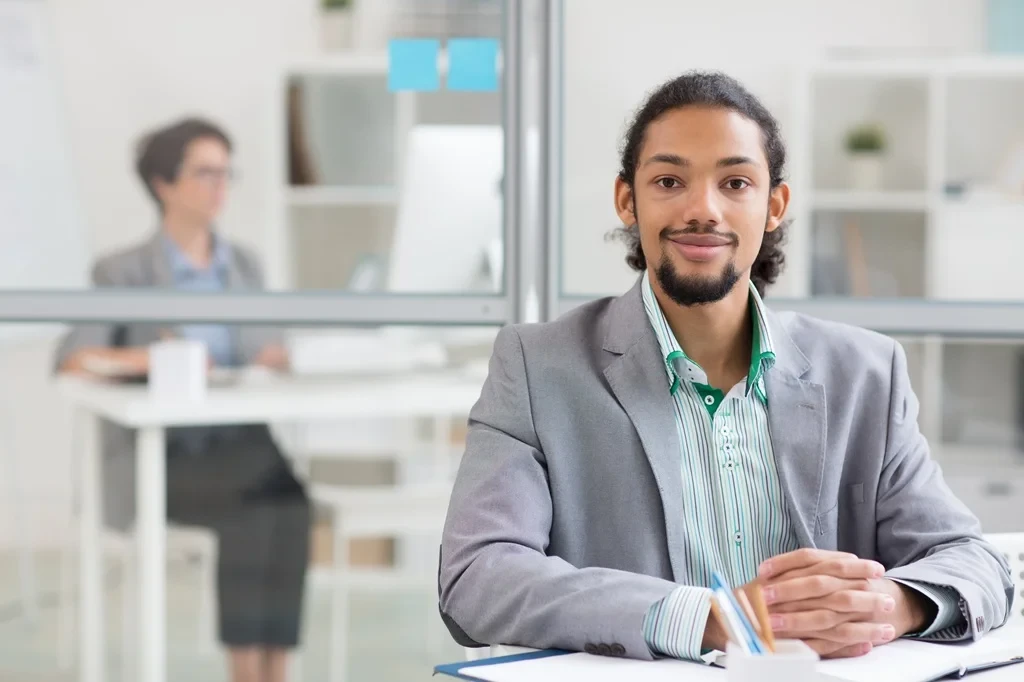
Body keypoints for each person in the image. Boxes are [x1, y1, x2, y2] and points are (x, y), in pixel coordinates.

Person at [438, 73, 1014, 662]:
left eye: (735, 182)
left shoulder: (866, 372)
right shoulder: (538, 367)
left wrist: (890, 604)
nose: (702, 209)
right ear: (627, 200)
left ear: (774, 206)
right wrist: (715, 620)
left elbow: (974, 561)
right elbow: (477, 578)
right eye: (669, 180)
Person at [55, 118, 310, 682]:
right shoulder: (122, 271)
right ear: (164, 184)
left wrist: (280, 357)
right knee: (253, 511)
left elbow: (266, 348)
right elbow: (74, 358)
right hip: (167, 452)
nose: (220, 186)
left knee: (292, 507)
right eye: (205, 173)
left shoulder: (243, 265)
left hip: (241, 437)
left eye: (226, 173)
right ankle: (247, 675)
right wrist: (148, 361)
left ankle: (276, 672)